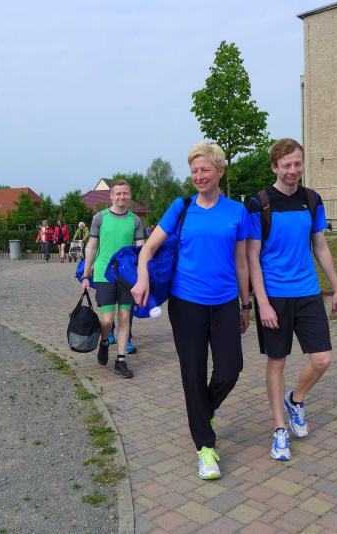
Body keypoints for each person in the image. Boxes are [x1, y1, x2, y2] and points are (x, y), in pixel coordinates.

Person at [132, 142, 250, 480]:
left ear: (220, 171)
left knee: (230, 368)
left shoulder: (237, 212)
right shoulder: (181, 207)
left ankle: (204, 409)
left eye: (205, 170)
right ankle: (205, 448)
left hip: (225, 302)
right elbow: (147, 249)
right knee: (193, 373)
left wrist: (246, 304)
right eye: (194, 170)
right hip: (186, 304)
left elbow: (242, 262)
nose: (199, 176)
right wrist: (142, 277)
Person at [246, 138, 337, 462]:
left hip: (307, 291)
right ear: (274, 167)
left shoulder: (312, 200)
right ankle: (279, 429)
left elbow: (320, 246)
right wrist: (262, 302)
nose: (292, 170)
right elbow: (252, 256)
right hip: (274, 294)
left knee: (322, 359)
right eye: (286, 165)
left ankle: (296, 399)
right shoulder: (259, 203)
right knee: (277, 362)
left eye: (297, 163)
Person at [82, 180, 145, 378]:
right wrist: (85, 275)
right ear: (111, 196)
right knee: (107, 320)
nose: (122, 197)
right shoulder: (100, 218)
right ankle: (104, 341)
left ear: (130, 196)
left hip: (126, 276)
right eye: (118, 194)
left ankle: (121, 360)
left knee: (125, 317)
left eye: (125, 193)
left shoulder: (135, 220)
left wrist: (143, 276)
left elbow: (140, 250)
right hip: (104, 273)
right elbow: (91, 246)